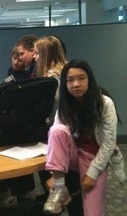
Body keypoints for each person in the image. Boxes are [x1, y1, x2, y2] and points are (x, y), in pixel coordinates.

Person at [43, 60, 119, 216]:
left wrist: (93, 173)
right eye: (70, 80)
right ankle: (60, 189)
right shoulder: (64, 106)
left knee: (93, 212)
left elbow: (108, 144)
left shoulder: (104, 103)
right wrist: (56, 176)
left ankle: (64, 189)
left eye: (81, 78)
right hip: (72, 155)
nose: (76, 84)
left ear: (90, 79)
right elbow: (56, 142)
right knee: (56, 130)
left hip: (93, 157)